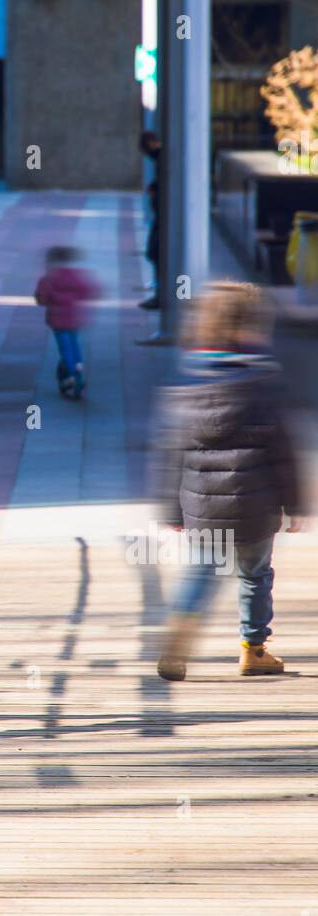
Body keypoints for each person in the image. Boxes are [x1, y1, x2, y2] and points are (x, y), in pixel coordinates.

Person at [153, 281, 305, 681]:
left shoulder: (186, 383)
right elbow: (283, 452)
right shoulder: (263, 384)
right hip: (256, 507)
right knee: (255, 575)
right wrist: (297, 504)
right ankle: (253, 649)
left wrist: (171, 509)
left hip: (203, 508)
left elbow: (171, 455)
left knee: (200, 572)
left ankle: (178, 636)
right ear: (249, 329)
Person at [34, 246, 99, 399]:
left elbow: (41, 299)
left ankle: (71, 373)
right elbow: (87, 292)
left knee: (64, 348)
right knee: (74, 345)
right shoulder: (75, 276)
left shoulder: (48, 279)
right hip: (73, 318)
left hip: (57, 320)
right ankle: (78, 368)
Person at [139, 130, 161, 310]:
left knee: (156, 252)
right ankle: (161, 292)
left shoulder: (164, 158)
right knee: (154, 252)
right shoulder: (162, 158)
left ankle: (163, 295)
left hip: (164, 219)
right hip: (161, 217)